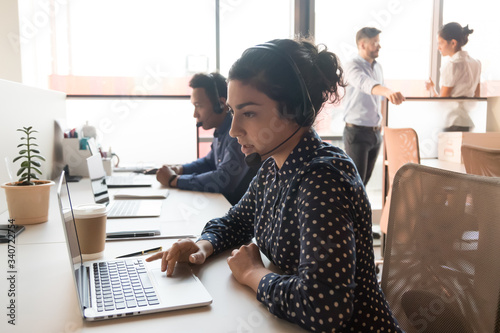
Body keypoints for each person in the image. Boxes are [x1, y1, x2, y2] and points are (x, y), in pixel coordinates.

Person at [147, 39, 402, 332]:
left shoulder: (324, 179)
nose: (233, 129)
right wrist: (203, 245)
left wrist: (254, 274)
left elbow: (325, 307)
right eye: (233, 112)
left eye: (249, 113)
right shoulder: (273, 167)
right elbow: (236, 222)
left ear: (296, 110)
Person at [155, 72, 258, 205]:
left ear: (220, 105)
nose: (195, 114)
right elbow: (209, 162)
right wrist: (180, 169)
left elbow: (224, 179)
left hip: (237, 214)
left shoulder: (237, 135)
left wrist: (175, 180)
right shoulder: (220, 132)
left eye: (199, 106)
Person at [343, 27, 405, 185]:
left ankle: (360, 210)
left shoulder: (378, 67)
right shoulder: (352, 65)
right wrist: (387, 91)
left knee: (365, 183)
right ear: (362, 45)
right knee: (355, 184)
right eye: (374, 42)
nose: (379, 46)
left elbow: (380, 98)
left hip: (375, 133)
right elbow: (365, 84)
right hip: (357, 132)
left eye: (378, 42)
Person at [425, 22, 481, 132]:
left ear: (453, 43)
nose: (438, 48)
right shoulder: (476, 63)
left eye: (440, 43)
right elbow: (477, 96)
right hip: (468, 122)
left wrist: (431, 89)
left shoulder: (451, 65)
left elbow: (443, 102)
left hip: (452, 123)